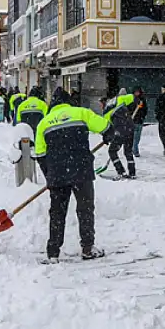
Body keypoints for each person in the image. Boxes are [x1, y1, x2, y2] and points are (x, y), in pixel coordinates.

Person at [35, 87, 112, 263]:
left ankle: (53, 253)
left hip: (57, 174)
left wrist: (50, 176)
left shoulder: (44, 123)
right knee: (85, 210)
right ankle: (87, 248)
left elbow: (40, 155)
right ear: (68, 101)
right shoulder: (81, 113)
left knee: (57, 213)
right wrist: (108, 136)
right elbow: (107, 127)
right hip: (81, 170)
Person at [103, 93, 138, 179]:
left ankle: (121, 172)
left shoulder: (106, 112)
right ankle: (132, 173)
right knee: (128, 151)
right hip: (130, 128)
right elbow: (133, 97)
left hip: (120, 131)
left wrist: (106, 138)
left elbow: (107, 127)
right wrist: (138, 101)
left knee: (112, 151)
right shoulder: (119, 99)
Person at [130, 86, 148, 157]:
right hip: (132, 121)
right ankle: (135, 150)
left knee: (137, 137)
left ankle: (133, 148)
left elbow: (145, 109)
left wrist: (142, 116)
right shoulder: (131, 99)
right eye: (136, 92)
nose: (137, 93)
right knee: (134, 136)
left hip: (139, 120)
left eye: (138, 92)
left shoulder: (142, 100)